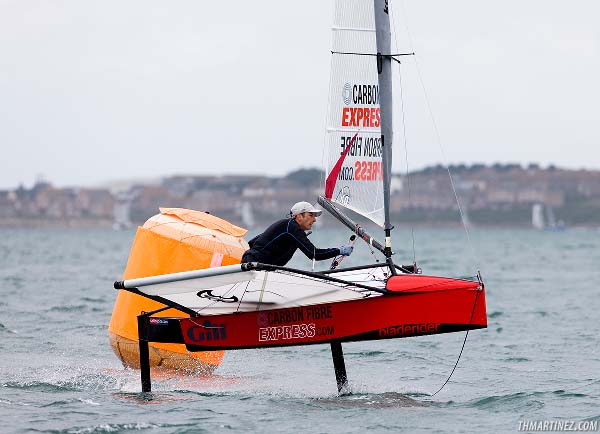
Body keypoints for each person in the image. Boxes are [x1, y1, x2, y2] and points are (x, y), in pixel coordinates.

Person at [241, 201, 353, 266]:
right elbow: (314, 254)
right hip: (254, 267)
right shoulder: (291, 227)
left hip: (261, 268)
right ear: (299, 216)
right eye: (311, 215)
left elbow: (254, 242)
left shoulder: (288, 227)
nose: (314, 220)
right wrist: (339, 251)